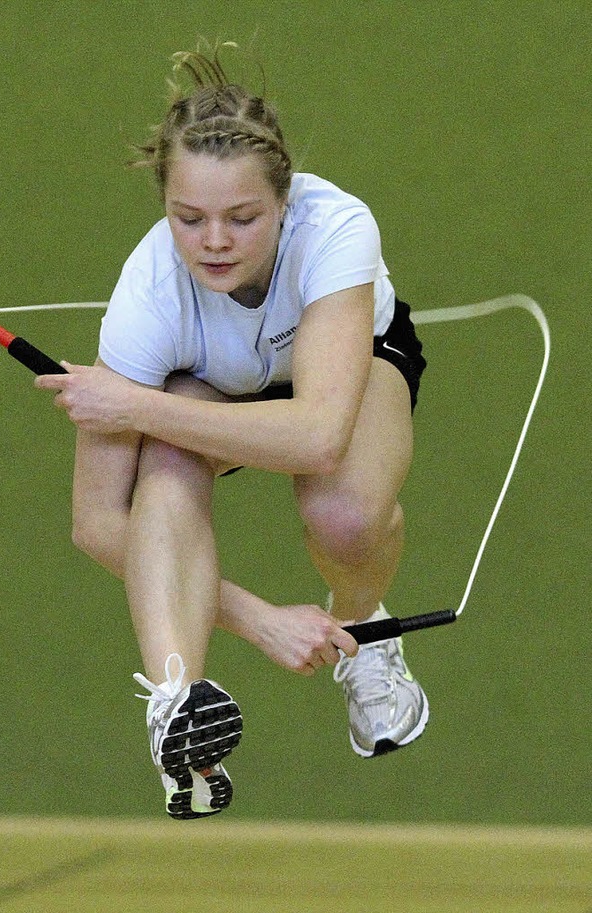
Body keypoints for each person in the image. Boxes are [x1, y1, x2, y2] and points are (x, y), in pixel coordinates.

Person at [35, 42, 429, 820]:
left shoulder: (336, 227)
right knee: (165, 473)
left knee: (342, 512)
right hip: (208, 386)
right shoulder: (148, 299)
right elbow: (96, 522)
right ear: (166, 209)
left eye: (242, 218)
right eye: (189, 218)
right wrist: (259, 618)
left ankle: (364, 627)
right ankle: (182, 713)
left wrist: (136, 407)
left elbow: (317, 435)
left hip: (343, 367)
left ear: (284, 202)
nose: (214, 240)